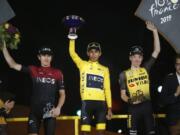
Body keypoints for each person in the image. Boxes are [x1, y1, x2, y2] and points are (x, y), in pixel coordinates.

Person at [1, 40, 66, 135]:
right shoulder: (33, 70)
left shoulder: (57, 73)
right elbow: (13, 65)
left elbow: (62, 94)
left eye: (49, 55)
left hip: (50, 112)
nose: (46, 58)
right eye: (44, 55)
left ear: (51, 58)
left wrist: (59, 108)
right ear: (39, 57)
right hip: (34, 112)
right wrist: (4, 48)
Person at [119, 21, 160, 135]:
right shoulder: (124, 74)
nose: (137, 59)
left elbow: (157, 51)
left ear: (142, 58)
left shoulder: (145, 68)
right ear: (130, 58)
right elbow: (122, 95)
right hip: (133, 109)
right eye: (134, 57)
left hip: (147, 107)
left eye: (139, 57)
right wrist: (131, 100)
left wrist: (155, 31)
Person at [68, 34, 112, 135]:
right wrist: (72, 38)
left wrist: (109, 108)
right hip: (86, 104)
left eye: (96, 52)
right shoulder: (83, 64)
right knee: (85, 132)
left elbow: (107, 89)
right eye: (91, 52)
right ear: (88, 53)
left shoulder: (105, 69)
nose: (94, 54)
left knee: (101, 133)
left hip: (101, 104)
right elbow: (72, 53)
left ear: (100, 53)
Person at [160, 54, 180, 135]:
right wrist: (176, 94)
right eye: (178, 64)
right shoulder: (169, 79)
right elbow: (162, 101)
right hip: (174, 122)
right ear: (175, 65)